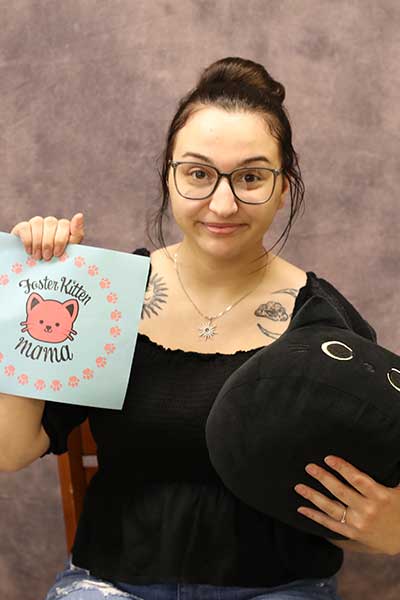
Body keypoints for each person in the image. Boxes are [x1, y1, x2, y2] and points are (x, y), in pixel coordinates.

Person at [5, 56, 379, 599]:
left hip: (275, 588)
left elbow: (371, 486)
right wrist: (27, 286)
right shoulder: (107, 296)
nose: (222, 203)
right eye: (199, 173)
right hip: (110, 584)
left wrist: (392, 530)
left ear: (283, 187)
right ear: (170, 177)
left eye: (250, 177)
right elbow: (10, 450)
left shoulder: (324, 324)